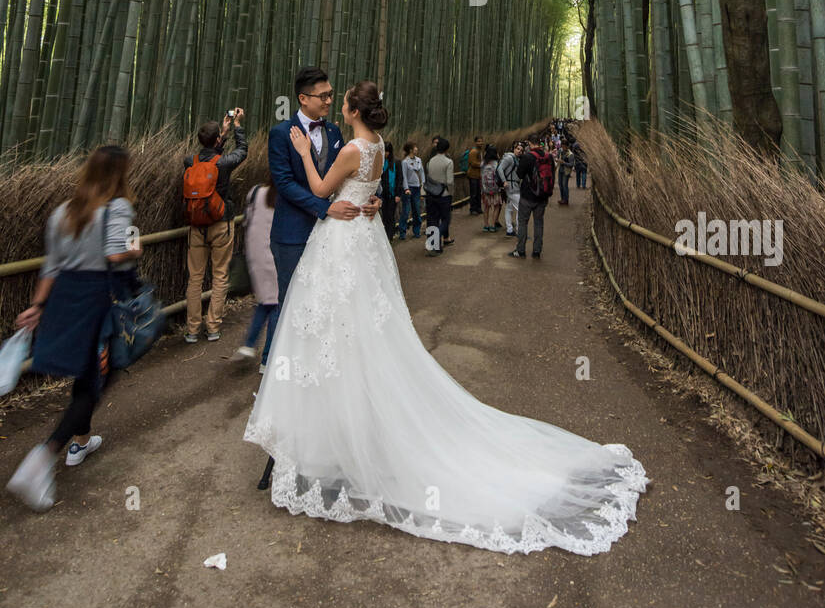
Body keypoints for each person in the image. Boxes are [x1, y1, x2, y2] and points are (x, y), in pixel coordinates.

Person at [244, 82, 647, 556]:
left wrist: (311, 160)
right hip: (355, 241)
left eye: (340, 97)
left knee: (338, 333)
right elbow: (342, 187)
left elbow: (316, 187)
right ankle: (320, 444)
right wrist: (368, 198)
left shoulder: (347, 143)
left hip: (340, 242)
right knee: (343, 335)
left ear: (352, 110)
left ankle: (345, 444)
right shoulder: (370, 145)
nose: (332, 101)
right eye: (324, 94)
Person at [6, 146, 143, 512]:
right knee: (100, 377)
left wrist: (37, 306)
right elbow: (119, 253)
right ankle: (44, 456)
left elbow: (51, 266)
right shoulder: (120, 208)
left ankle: (80, 441)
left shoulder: (62, 213)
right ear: (120, 175)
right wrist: (136, 246)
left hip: (67, 297)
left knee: (87, 377)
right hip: (99, 299)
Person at [268, 66, 380, 307]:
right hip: (294, 232)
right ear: (303, 98)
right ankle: (272, 348)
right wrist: (325, 208)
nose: (329, 100)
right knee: (290, 305)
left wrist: (372, 197)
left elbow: (350, 175)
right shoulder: (281, 133)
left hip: (334, 234)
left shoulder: (334, 130)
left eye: (331, 94)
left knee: (327, 304)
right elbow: (285, 184)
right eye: (323, 96)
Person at [183, 108, 247, 342]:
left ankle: (191, 330)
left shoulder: (190, 161)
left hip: (196, 226)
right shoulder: (224, 163)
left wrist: (222, 134)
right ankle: (213, 327)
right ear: (217, 139)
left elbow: (208, 159)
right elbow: (242, 152)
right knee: (220, 276)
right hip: (221, 223)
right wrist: (237, 126)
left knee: (195, 278)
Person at [231, 177, 279, 373]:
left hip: (255, 256)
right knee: (276, 305)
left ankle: (249, 344)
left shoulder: (255, 191)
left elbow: (246, 222)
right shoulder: (284, 198)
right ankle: (267, 359)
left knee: (266, 302)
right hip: (276, 255)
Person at [509, 137, 555, 261]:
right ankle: (536, 251)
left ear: (530, 143)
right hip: (542, 197)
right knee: (538, 223)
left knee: (523, 222)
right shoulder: (548, 156)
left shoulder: (527, 157)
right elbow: (552, 176)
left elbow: (519, 174)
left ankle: (521, 250)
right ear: (539, 143)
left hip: (527, 196)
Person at [425, 136, 455, 247]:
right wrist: (451, 193)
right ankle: (435, 238)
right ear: (447, 149)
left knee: (433, 219)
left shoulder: (430, 162)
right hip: (444, 195)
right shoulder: (448, 162)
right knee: (446, 219)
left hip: (431, 194)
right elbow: (450, 181)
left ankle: (434, 246)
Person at [399, 141, 424, 240]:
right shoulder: (405, 162)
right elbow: (404, 176)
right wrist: (406, 188)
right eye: (415, 148)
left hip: (417, 187)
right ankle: (402, 232)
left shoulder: (419, 160)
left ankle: (417, 231)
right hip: (409, 188)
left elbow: (422, 173)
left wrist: (423, 184)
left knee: (417, 210)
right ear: (410, 150)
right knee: (406, 210)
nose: (417, 149)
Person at [497, 141, 521, 237]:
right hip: (511, 187)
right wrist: (504, 181)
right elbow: (499, 168)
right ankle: (520, 231)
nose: (519, 151)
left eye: (521, 150)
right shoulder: (509, 158)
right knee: (521, 208)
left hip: (513, 185)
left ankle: (510, 230)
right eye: (517, 149)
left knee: (509, 208)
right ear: (513, 149)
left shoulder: (515, 158)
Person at [378, 142, 401, 242]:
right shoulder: (380, 162)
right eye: (384, 151)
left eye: (387, 151)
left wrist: (398, 194)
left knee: (391, 215)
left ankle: (390, 236)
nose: (386, 153)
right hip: (382, 193)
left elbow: (400, 178)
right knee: (384, 215)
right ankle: (385, 236)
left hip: (392, 193)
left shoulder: (396, 162)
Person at [480, 144, 502, 232]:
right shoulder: (497, 164)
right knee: (496, 206)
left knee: (486, 207)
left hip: (485, 189)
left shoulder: (483, 163)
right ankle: (493, 225)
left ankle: (486, 225)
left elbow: (481, 175)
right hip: (496, 189)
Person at [466, 135, 483, 214]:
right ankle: (473, 209)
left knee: (478, 193)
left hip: (478, 175)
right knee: (474, 193)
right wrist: (482, 164)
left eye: (481, 141)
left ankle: (478, 208)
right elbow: (473, 163)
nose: (480, 143)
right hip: (473, 175)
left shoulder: (480, 151)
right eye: (479, 141)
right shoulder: (473, 151)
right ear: (475, 142)